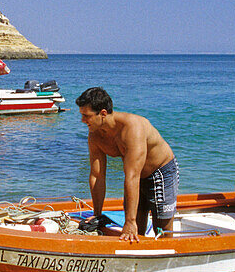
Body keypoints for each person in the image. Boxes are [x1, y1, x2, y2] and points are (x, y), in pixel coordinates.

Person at [76, 87, 179, 242]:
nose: (83, 120)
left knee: (161, 229)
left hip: (160, 172)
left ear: (103, 113)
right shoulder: (95, 135)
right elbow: (97, 175)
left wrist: (129, 222)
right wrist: (97, 215)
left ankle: (171, 254)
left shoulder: (132, 128)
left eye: (86, 116)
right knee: (135, 227)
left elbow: (131, 176)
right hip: (137, 177)